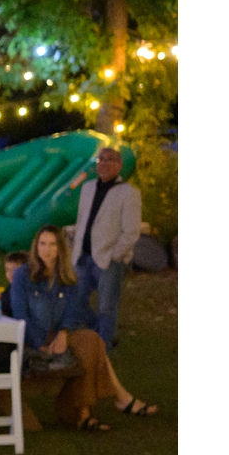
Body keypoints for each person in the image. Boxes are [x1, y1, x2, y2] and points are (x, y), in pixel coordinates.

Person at [10, 225, 156, 428]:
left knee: (91, 341)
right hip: (32, 338)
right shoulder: (23, 276)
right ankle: (104, 405)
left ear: (60, 248)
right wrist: (42, 342)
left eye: (52, 244)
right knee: (94, 348)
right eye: (42, 244)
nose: (47, 249)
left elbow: (72, 312)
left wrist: (62, 334)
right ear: (36, 247)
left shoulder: (68, 277)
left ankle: (86, 414)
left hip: (59, 335)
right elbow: (21, 316)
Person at [68, 144, 141, 349]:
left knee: (107, 306)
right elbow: (83, 218)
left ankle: (104, 346)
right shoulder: (88, 188)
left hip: (109, 259)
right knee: (76, 300)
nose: (104, 164)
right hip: (84, 256)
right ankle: (99, 332)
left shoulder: (129, 193)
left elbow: (131, 232)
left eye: (110, 160)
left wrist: (114, 256)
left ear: (119, 165)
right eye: (101, 159)